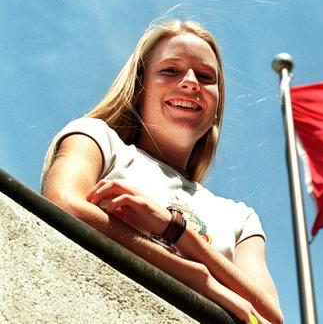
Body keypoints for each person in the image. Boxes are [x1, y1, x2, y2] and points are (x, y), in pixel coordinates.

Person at [40, 20, 283, 324]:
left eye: (206, 77)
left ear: (218, 105)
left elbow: (271, 314)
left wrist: (175, 230)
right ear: (139, 87)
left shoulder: (240, 218)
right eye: (170, 70)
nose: (191, 82)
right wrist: (197, 278)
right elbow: (63, 204)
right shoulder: (97, 139)